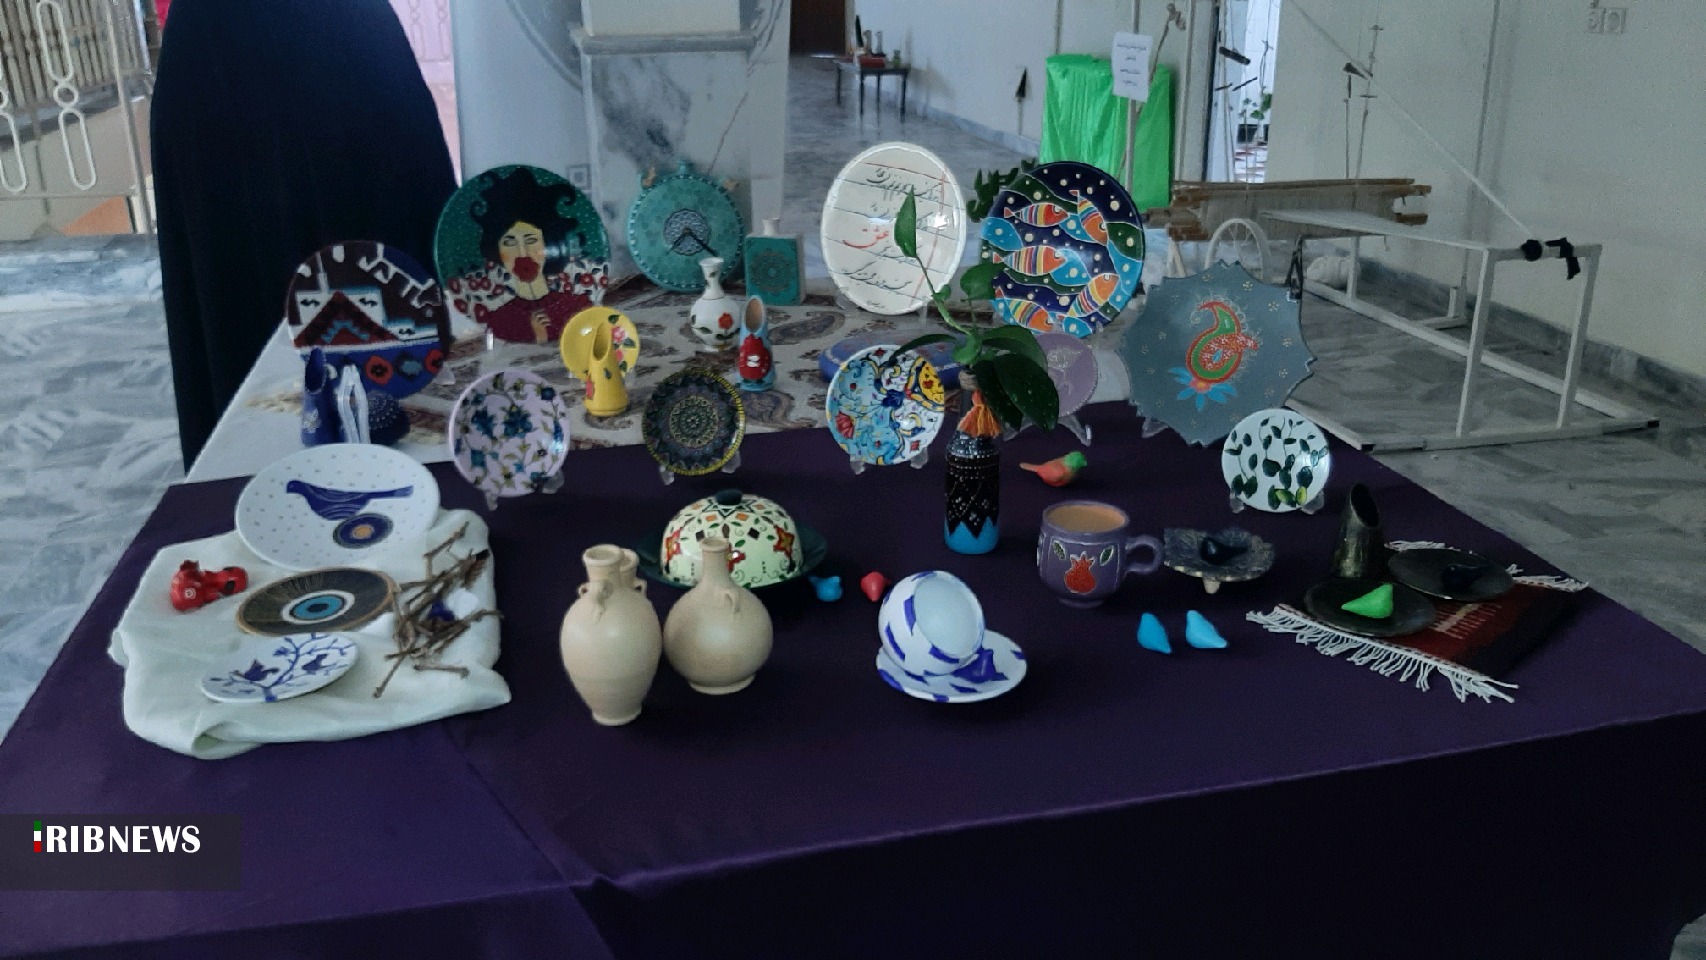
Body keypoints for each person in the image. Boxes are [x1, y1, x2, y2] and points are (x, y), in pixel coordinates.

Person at [152, 0, 456, 467]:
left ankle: (409, 467)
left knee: (390, 283)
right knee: (240, 306)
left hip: (338, 39)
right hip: (223, 59)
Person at [463, 167, 601, 344]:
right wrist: (539, 336)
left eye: (531, 240)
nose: (522, 253)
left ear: (549, 244)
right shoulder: (499, 320)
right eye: (510, 243)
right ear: (497, 251)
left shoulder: (578, 306)